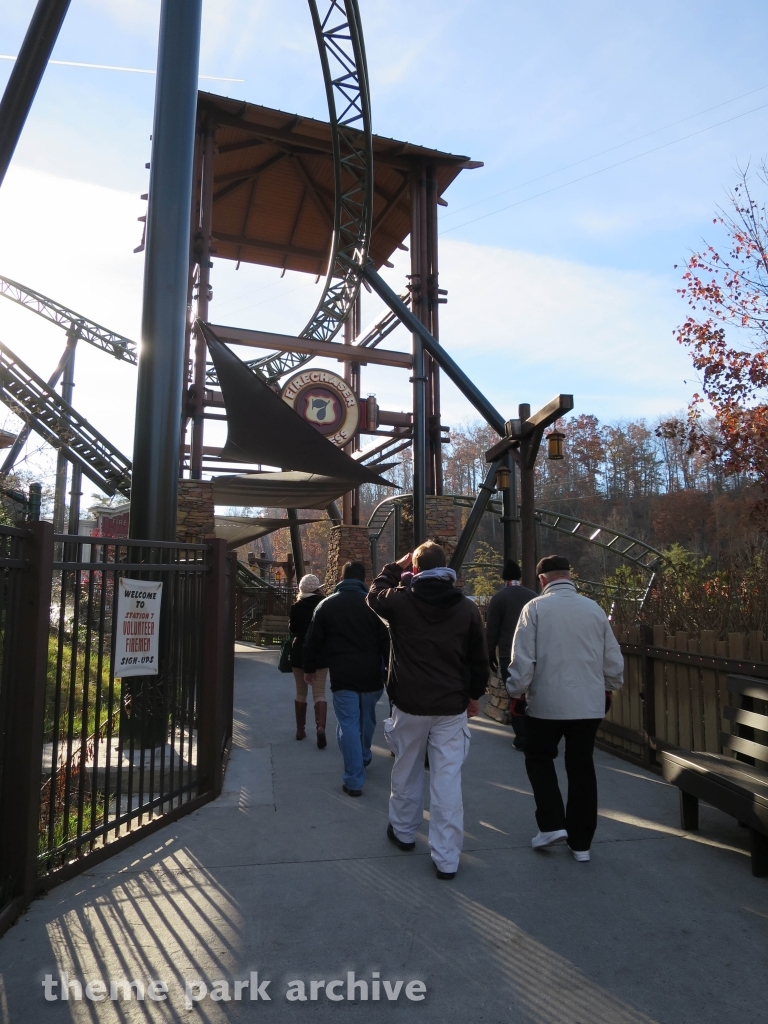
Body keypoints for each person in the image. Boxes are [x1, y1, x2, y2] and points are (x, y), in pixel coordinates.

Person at [367, 541, 489, 881]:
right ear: (445, 567)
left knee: (406, 768)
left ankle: (404, 832)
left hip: (409, 702)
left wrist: (394, 566)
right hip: (451, 705)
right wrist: (474, 695)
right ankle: (447, 857)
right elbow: (478, 658)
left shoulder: (402, 602)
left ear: (415, 569)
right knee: (447, 777)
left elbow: (374, 593)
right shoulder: (465, 609)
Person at [506, 555, 624, 862]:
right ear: (569, 576)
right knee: (582, 766)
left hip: (546, 702)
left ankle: (551, 824)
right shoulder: (593, 609)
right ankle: (581, 842)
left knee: (539, 758)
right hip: (588, 703)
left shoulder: (535, 609)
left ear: (542, 580)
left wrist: (515, 692)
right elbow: (612, 659)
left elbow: (523, 660)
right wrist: (609, 685)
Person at [303, 561, 389, 797]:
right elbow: (387, 640)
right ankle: (363, 755)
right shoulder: (374, 606)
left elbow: (312, 642)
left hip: (343, 675)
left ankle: (353, 779)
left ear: (342, 579)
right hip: (372, 675)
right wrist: (389, 671)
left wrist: (309, 669)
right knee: (367, 719)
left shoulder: (325, 606)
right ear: (363, 580)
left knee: (348, 723)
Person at [485, 559, 537, 751]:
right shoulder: (533, 597)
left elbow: (492, 631)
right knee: (533, 694)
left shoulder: (499, 599)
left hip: (509, 654)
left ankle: (522, 737)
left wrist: (490, 654)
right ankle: (534, 733)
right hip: (533, 654)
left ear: (504, 577)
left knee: (516, 695)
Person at [288, 574, 329, 747]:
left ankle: (300, 729)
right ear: (317, 588)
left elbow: (293, 629)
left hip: (299, 653)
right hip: (320, 652)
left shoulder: (296, 607)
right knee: (319, 693)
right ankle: (320, 728)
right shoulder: (324, 605)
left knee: (300, 692)